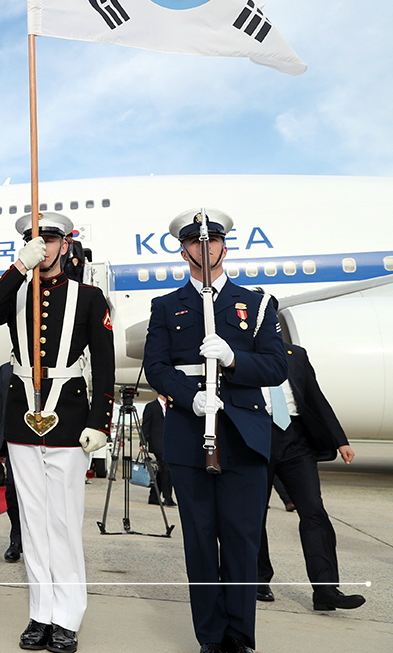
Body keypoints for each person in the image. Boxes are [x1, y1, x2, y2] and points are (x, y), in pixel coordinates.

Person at [143, 209, 287, 653]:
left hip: (244, 435)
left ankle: (240, 636)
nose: (204, 250)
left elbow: (278, 366)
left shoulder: (258, 303)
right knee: (201, 543)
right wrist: (191, 398)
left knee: (242, 541)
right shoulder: (167, 306)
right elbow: (156, 367)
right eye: (194, 243)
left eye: (212, 242)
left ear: (225, 246)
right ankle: (210, 636)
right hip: (190, 436)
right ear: (183, 250)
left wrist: (232, 359)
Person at [0, 212, 113, 653]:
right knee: (33, 524)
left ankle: (68, 616)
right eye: (36, 240)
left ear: (65, 244)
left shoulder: (90, 297)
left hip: (70, 419)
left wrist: (99, 420)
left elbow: (105, 363)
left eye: (51, 239)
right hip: (22, 419)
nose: (44, 247)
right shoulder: (16, 292)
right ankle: (41, 613)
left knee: (64, 522)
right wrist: (20, 267)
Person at [256, 342, 364, 610]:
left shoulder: (295, 354)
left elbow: (315, 397)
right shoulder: (237, 352)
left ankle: (326, 589)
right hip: (255, 437)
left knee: (314, 511)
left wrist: (340, 440)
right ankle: (257, 580)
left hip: (296, 439)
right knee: (254, 514)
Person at [0, 361, 22, 563]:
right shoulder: (6, 369)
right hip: (12, 441)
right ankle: (16, 541)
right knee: (12, 493)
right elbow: (0, 405)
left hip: (41, 441)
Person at [141, 396, 176, 507]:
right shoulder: (151, 406)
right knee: (167, 469)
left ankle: (154, 497)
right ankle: (168, 498)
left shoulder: (171, 407)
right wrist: (142, 443)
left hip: (170, 444)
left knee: (161, 471)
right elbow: (145, 426)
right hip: (157, 443)